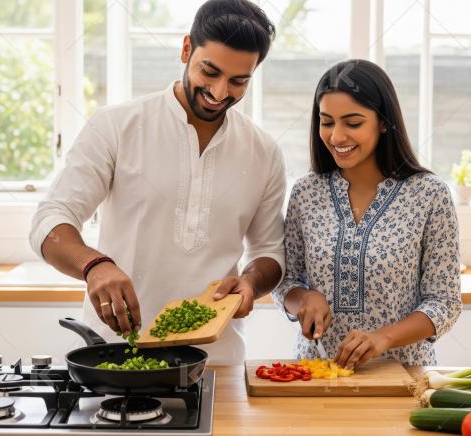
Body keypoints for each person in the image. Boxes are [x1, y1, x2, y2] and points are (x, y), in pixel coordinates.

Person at [29, 0, 285, 365]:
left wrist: (251, 283)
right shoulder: (116, 126)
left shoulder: (264, 151)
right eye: (209, 72)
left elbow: (269, 252)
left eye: (238, 81)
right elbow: (50, 220)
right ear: (186, 49)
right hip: (115, 357)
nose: (219, 92)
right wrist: (95, 266)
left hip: (214, 362)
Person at [272, 59, 462, 368]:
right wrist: (304, 299)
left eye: (353, 122)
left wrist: (384, 337)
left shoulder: (429, 195)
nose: (336, 137)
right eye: (327, 122)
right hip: (317, 374)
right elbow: (286, 281)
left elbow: (445, 302)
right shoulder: (305, 192)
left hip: (402, 376)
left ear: (384, 122)